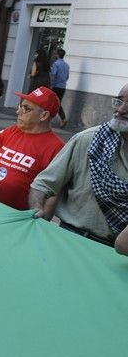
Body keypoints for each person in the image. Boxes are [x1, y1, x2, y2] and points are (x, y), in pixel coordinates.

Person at [28, 81, 128, 246]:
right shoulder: (88, 139)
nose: (121, 109)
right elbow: (43, 184)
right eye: (118, 101)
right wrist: (37, 208)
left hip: (114, 253)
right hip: (70, 238)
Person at [50, 49, 70, 128]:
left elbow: (53, 75)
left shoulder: (56, 64)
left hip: (55, 86)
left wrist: (51, 85)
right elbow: (67, 77)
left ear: (57, 55)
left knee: (52, 102)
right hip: (62, 87)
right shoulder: (66, 65)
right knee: (58, 103)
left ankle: (48, 119)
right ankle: (63, 118)